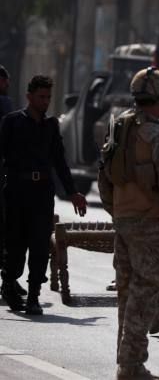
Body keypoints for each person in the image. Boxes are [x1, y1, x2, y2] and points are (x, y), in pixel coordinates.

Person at [98, 67, 159, 380]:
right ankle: (132, 367)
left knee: (127, 296)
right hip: (150, 225)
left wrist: (116, 210)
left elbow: (104, 174)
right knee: (144, 296)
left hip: (124, 221)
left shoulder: (120, 126)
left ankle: (126, 362)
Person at [0, 75, 88, 315]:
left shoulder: (51, 125)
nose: (45, 102)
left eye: (49, 97)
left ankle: (34, 296)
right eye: (41, 97)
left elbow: (60, 161)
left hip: (42, 190)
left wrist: (73, 192)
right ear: (29, 96)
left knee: (40, 242)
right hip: (17, 188)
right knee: (15, 242)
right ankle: (9, 285)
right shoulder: (11, 122)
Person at [0, 65, 17, 295]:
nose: (8, 85)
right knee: (6, 227)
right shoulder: (4, 103)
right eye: (5, 80)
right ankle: (9, 280)